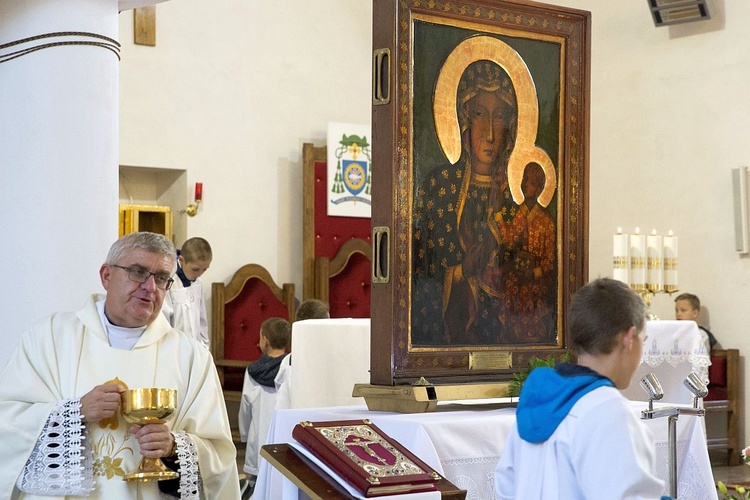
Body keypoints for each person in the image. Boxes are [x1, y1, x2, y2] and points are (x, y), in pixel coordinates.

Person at [0, 232, 240, 499]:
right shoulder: (49, 338)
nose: (150, 287)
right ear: (106, 276)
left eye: (161, 278)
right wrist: (74, 412)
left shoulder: (192, 357)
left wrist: (173, 447)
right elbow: (7, 424)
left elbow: (219, 456)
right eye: (138, 272)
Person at [495, 277, 668, 499]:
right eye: (643, 340)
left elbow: (505, 489)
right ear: (629, 338)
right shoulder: (609, 412)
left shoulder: (537, 401)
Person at [412, 60, 521, 346]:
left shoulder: (516, 194)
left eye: (499, 117)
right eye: (479, 115)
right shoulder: (440, 185)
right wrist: (459, 272)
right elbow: (421, 268)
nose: (490, 133)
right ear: (463, 120)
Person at [485, 161, 556, 342]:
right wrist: (499, 213)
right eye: (524, 179)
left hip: (536, 282)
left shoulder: (546, 221)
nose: (525, 185)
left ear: (539, 188)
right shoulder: (519, 215)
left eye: (531, 182)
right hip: (517, 279)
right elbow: (508, 240)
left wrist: (534, 272)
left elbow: (549, 258)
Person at [238, 317, 291, 494]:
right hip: (283, 437)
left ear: (265, 340)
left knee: (257, 486)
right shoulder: (291, 368)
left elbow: (245, 407)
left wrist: (244, 435)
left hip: (258, 438)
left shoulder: (253, 371)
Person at [161, 236, 212, 350]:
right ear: (181, 260)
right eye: (195, 269)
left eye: (204, 269)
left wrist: (204, 348)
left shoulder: (198, 282)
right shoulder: (168, 281)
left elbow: (202, 320)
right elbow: (164, 321)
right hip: (174, 349)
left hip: (196, 349)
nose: (200, 274)